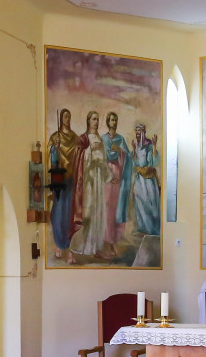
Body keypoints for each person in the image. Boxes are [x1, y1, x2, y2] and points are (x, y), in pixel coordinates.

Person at [69, 111, 110, 259]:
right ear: (88, 121)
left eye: (98, 119)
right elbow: (77, 157)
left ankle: (96, 248)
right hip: (87, 181)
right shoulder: (83, 139)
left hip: (98, 180)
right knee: (87, 214)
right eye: (94, 119)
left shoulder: (100, 139)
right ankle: (76, 248)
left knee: (98, 213)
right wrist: (89, 151)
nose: (96, 122)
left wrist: (109, 175)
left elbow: (104, 159)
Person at [47, 108, 78, 258]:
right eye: (65, 116)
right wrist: (55, 148)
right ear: (61, 118)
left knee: (69, 212)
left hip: (71, 179)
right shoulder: (55, 137)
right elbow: (51, 159)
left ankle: (70, 244)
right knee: (58, 212)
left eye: (69, 117)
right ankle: (59, 243)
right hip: (59, 179)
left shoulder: (75, 138)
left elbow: (79, 156)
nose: (67, 119)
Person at [129, 122, 161, 236]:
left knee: (151, 204)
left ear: (144, 132)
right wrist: (133, 152)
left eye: (140, 131)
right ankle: (144, 227)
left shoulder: (149, 145)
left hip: (148, 180)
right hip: (140, 180)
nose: (138, 134)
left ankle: (153, 229)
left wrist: (154, 147)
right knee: (140, 201)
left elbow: (153, 161)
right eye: (137, 132)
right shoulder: (136, 146)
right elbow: (135, 163)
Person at [103, 111, 129, 245]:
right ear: (108, 122)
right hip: (106, 172)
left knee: (116, 204)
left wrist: (119, 151)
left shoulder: (120, 139)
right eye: (112, 120)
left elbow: (127, 156)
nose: (114, 122)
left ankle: (115, 236)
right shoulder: (103, 139)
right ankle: (106, 236)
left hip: (118, 171)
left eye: (115, 120)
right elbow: (100, 157)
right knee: (107, 204)